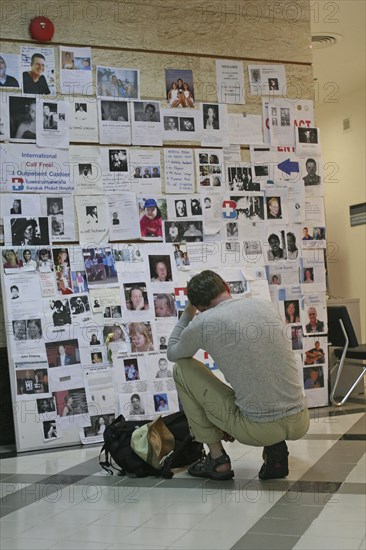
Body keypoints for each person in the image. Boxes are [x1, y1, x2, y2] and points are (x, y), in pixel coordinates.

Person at [167, 270, 309, 481]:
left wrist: (189, 312)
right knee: (261, 379)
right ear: (226, 286)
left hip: (257, 428)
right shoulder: (264, 305)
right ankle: (274, 451)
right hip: (300, 420)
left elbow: (173, 352)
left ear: (200, 307)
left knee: (181, 369)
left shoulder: (203, 321)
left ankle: (217, 459)